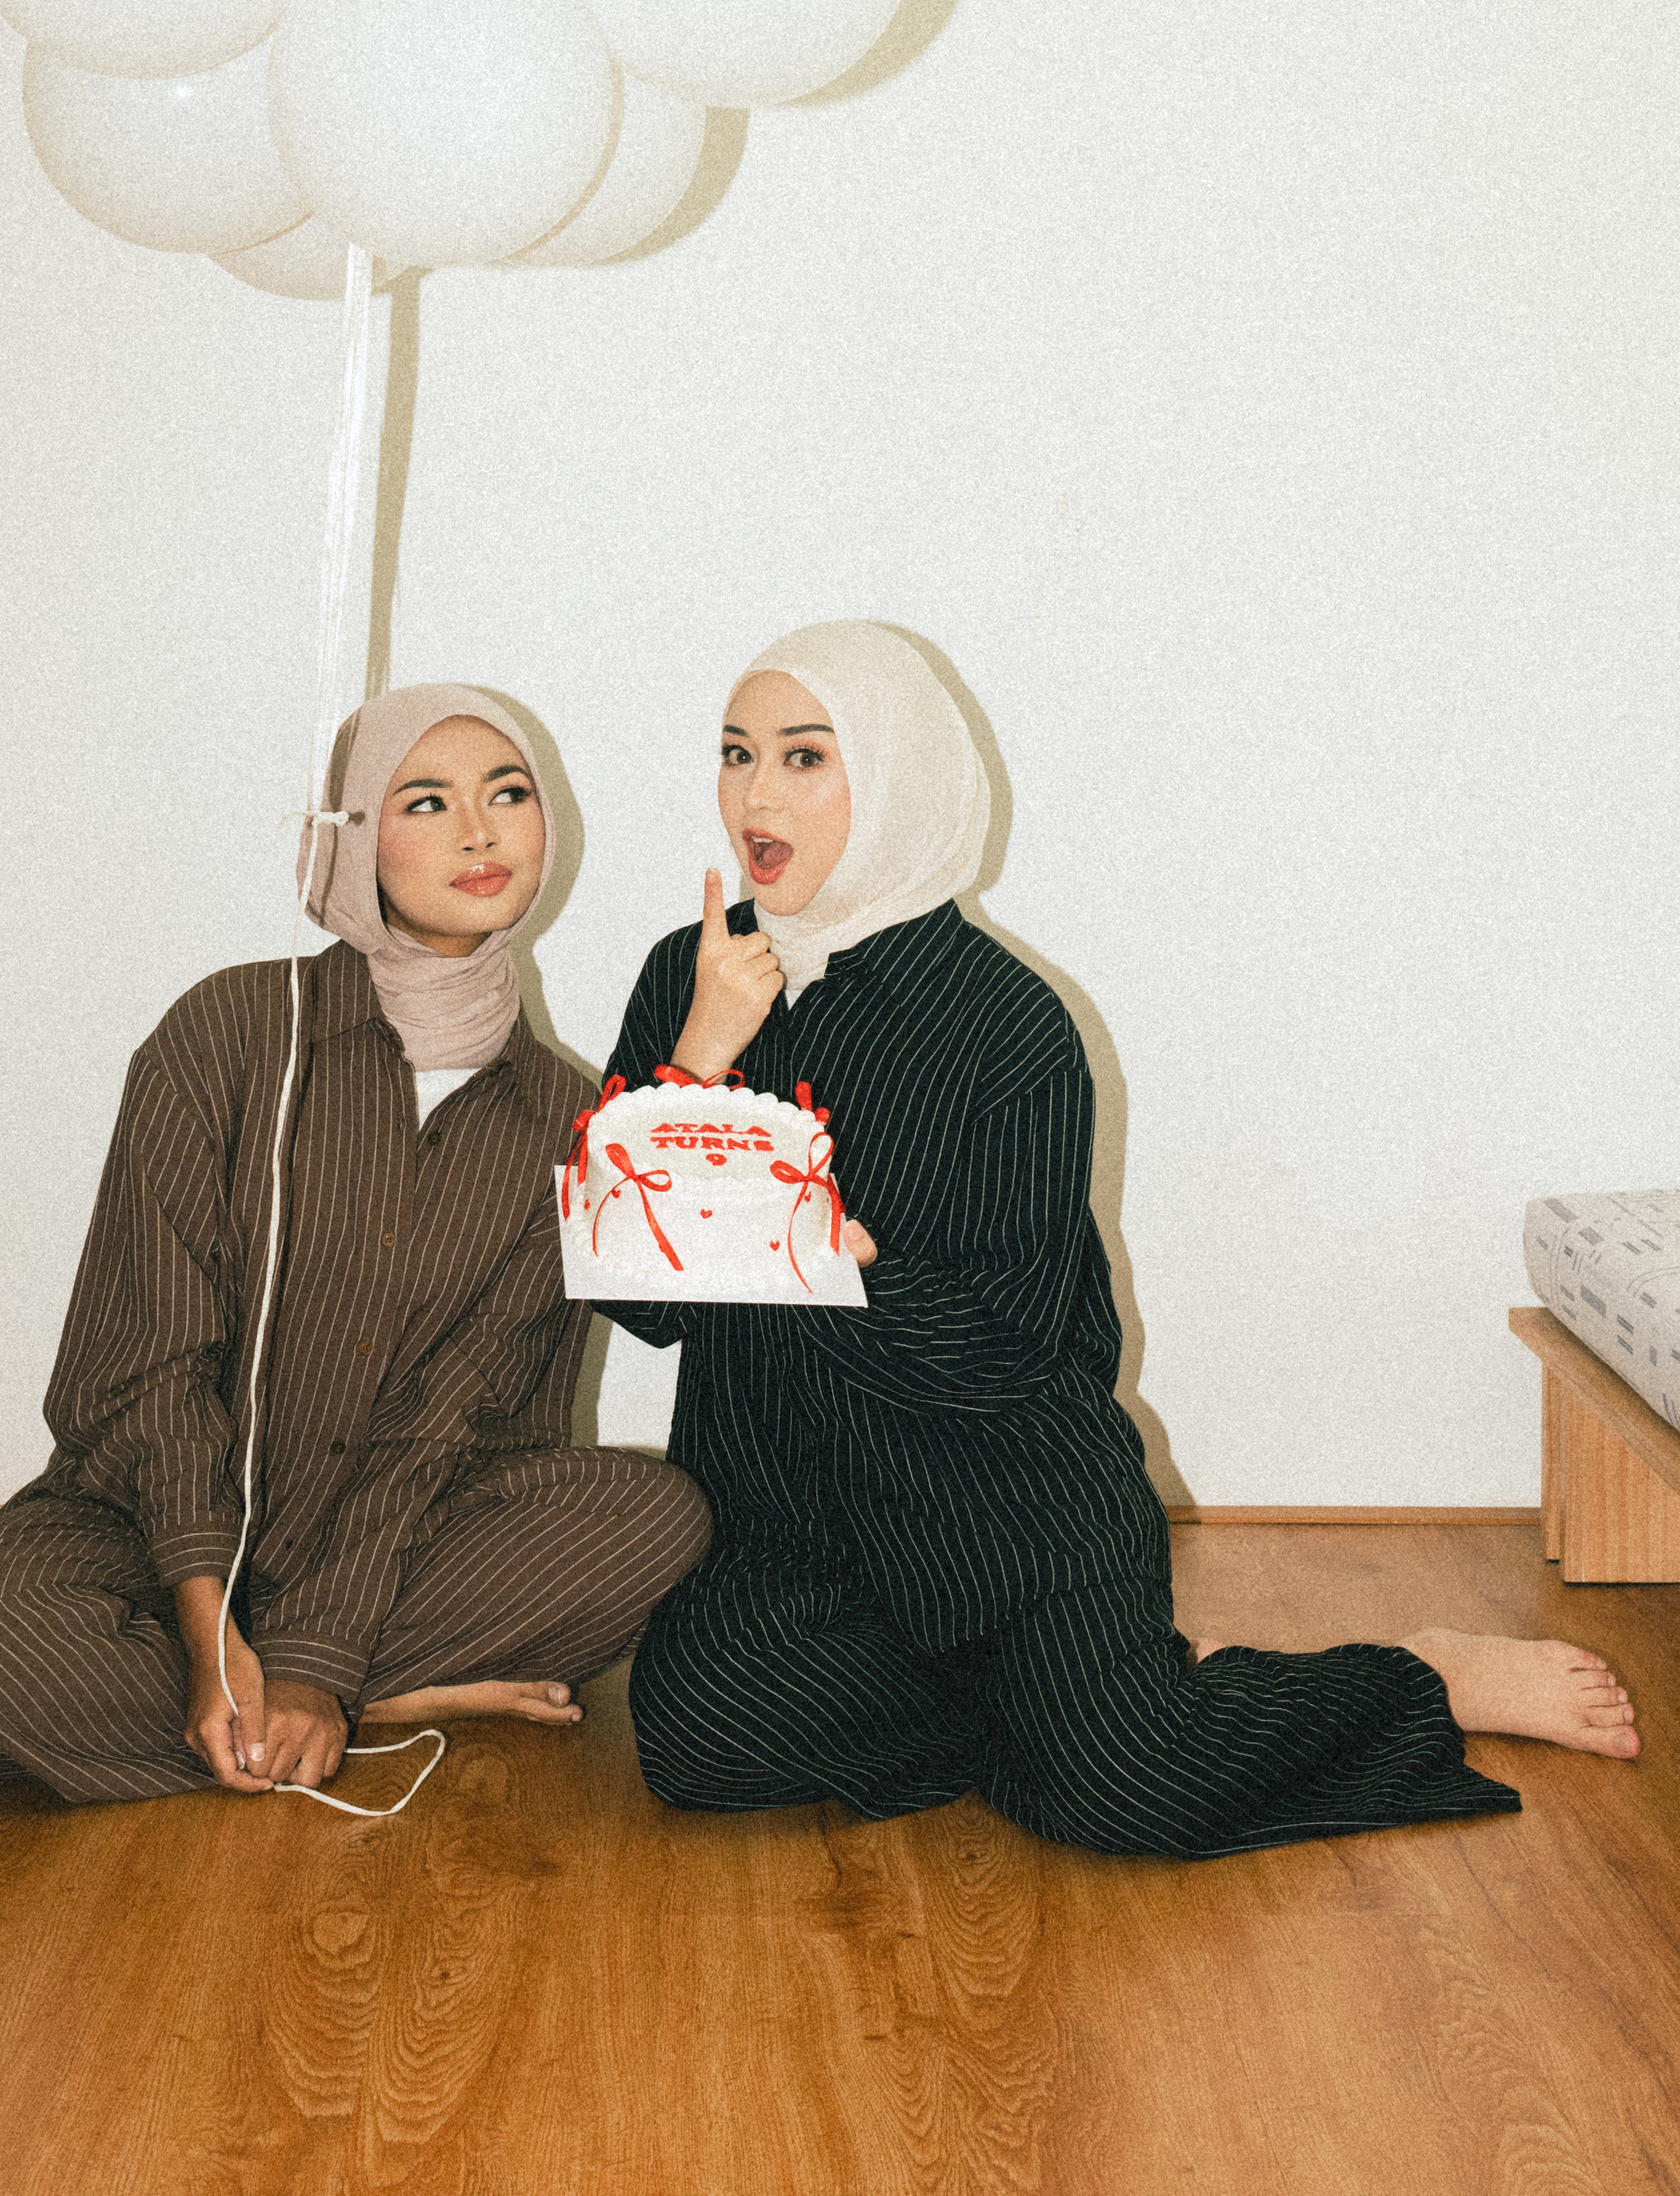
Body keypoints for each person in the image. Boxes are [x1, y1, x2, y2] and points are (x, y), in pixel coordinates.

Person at [598, 620, 1638, 1853]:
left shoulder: (1010, 1024)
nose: (756, 796)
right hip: (797, 1521)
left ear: (895, 777)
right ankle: (1114, 1703)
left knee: (1128, 1794)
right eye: (736, 753)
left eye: (804, 756)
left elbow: (1009, 1351)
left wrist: (848, 1264)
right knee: (697, 1738)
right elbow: (639, 1300)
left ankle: (1409, 1676)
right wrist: (698, 1059)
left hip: (1001, 1512)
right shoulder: (688, 976)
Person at [0, 685, 710, 1805]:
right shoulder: (229, 1031)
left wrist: (317, 1650)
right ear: (351, 838)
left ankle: (300, 1697)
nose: (479, 831)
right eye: (426, 801)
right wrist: (212, 1633)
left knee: (658, 1521)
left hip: (407, 1534)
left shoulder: (566, 1118)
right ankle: (360, 1701)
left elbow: (451, 1417)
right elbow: (144, 1361)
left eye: (508, 794)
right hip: (150, 1532)